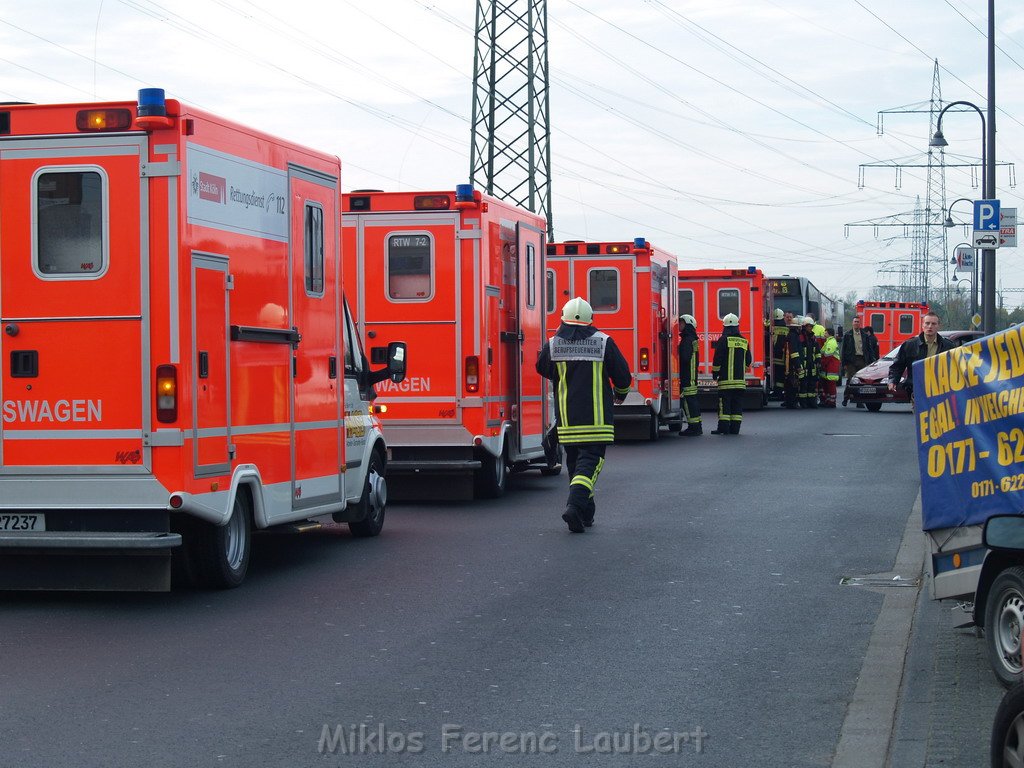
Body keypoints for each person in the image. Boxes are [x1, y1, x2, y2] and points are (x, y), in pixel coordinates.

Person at [536, 297, 632, 533]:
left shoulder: (553, 344)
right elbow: (622, 374)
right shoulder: (603, 341)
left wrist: (562, 375)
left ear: (563, 320)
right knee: (590, 465)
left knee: (575, 465)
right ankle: (574, 506)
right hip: (597, 421)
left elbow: (541, 367)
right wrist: (621, 393)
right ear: (591, 320)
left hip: (567, 422)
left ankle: (585, 513)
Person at [887, 311, 954, 402]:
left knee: (935, 416)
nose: (930, 326)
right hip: (917, 389)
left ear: (938, 326)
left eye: (933, 324)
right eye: (927, 323)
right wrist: (893, 381)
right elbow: (898, 365)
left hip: (940, 390)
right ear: (922, 325)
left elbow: (955, 367)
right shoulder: (910, 345)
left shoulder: (948, 346)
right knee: (921, 416)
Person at [711, 313, 751, 435]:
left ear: (725, 327)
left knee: (725, 406)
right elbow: (748, 359)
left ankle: (723, 429)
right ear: (737, 326)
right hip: (740, 383)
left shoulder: (723, 340)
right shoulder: (744, 341)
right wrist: (741, 370)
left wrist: (715, 373)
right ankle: (735, 429)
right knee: (737, 406)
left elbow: (718, 358)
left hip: (726, 382)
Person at [841, 316, 876, 407]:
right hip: (851, 361)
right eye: (855, 321)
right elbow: (843, 350)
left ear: (860, 323)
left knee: (860, 381)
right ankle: (846, 398)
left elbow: (869, 349)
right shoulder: (847, 334)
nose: (856, 323)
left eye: (858, 322)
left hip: (862, 360)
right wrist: (844, 363)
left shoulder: (864, 335)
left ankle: (859, 401)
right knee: (850, 380)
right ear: (852, 323)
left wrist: (872, 361)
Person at [678, 313, 702, 436]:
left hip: (688, 375)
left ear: (688, 325)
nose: (679, 325)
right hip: (691, 375)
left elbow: (685, 358)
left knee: (689, 401)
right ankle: (697, 426)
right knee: (692, 401)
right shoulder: (691, 339)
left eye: (682, 323)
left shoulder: (687, 340)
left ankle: (694, 427)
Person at [782, 313, 803, 409]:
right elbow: (794, 352)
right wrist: (798, 365)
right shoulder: (794, 336)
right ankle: (791, 402)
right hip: (792, 364)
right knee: (792, 384)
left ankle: (788, 401)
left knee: (789, 383)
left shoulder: (790, 334)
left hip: (788, 363)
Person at [799, 316, 820, 408]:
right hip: (804, 364)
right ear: (804, 326)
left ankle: (812, 402)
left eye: (811, 326)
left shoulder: (813, 337)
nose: (810, 328)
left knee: (812, 384)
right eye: (809, 326)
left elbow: (817, 351)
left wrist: (818, 360)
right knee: (803, 384)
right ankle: (803, 403)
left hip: (812, 364)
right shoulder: (801, 337)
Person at [818, 333, 841, 407]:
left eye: (825, 333)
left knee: (831, 383)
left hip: (831, 365)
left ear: (829, 334)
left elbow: (827, 355)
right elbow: (823, 352)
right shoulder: (828, 341)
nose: (824, 334)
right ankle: (828, 400)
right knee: (826, 383)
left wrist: (822, 363)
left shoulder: (831, 342)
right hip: (828, 366)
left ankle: (832, 401)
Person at [770, 308, 788, 401]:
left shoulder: (770, 327)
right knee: (780, 376)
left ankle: (774, 391)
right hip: (783, 357)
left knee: (773, 374)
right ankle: (779, 392)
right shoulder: (786, 328)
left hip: (771, 357)